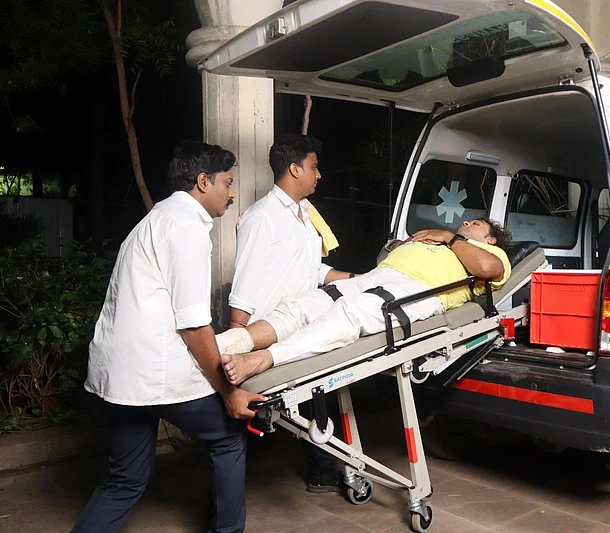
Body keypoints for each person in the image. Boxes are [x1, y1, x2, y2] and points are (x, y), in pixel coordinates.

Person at [73, 142, 265, 533]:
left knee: (125, 480)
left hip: (119, 376)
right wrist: (229, 393)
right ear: (202, 181)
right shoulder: (186, 227)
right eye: (228, 183)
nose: (232, 193)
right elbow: (194, 325)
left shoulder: (155, 219)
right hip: (155, 372)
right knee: (229, 437)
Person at [216, 218, 513, 385]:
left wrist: (449, 238)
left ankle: (264, 359)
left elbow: (487, 271)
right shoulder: (438, 238)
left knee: (350, 313)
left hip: (419, 290)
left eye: (475, 223)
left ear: (491, 240)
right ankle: (233, 341)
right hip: (379, 275)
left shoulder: (489, 254)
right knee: (302, 304)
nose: (466, 221)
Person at [225, 133, 351, 493]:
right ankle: (226, 478)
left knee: (315, 397)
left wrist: (359, 279)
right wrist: (238, 340)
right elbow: (244, 281)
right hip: (270, 328)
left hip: (304, 321)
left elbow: (313, 270)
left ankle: (321, 472)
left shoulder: (307, 214)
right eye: (314, 167)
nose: (319, 174)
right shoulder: (261, 217)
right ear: (294, 169)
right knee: (254, 410)